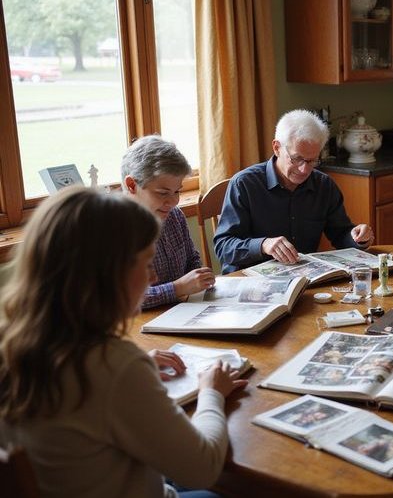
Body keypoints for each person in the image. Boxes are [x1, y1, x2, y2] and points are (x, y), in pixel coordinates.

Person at [0, 187, 248, 498]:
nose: (154, 278)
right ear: (108, 275)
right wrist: (212, 392)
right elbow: (204, 467)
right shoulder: (112, 364)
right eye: (146, 264)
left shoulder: (12, 338)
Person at [214, 109, 374, 274]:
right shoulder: (244, 184)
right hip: (249, 283)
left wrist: (357, 237)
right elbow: (223, 247)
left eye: (312, 160)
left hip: (302, 279)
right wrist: (263, 245)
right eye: (297, 158)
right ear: (277, 148)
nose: (304, 170)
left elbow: (340, 234)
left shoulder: (323, 185)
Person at [122, 135, 215, 309]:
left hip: (180, 311)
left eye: (177, 191)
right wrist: (178, 288)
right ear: (132, 185)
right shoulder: (115, 229)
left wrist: (200, 277)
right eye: (163, 193)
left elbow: (191, 259)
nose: (173, 202)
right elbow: (124, 297)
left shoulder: (174, 216)